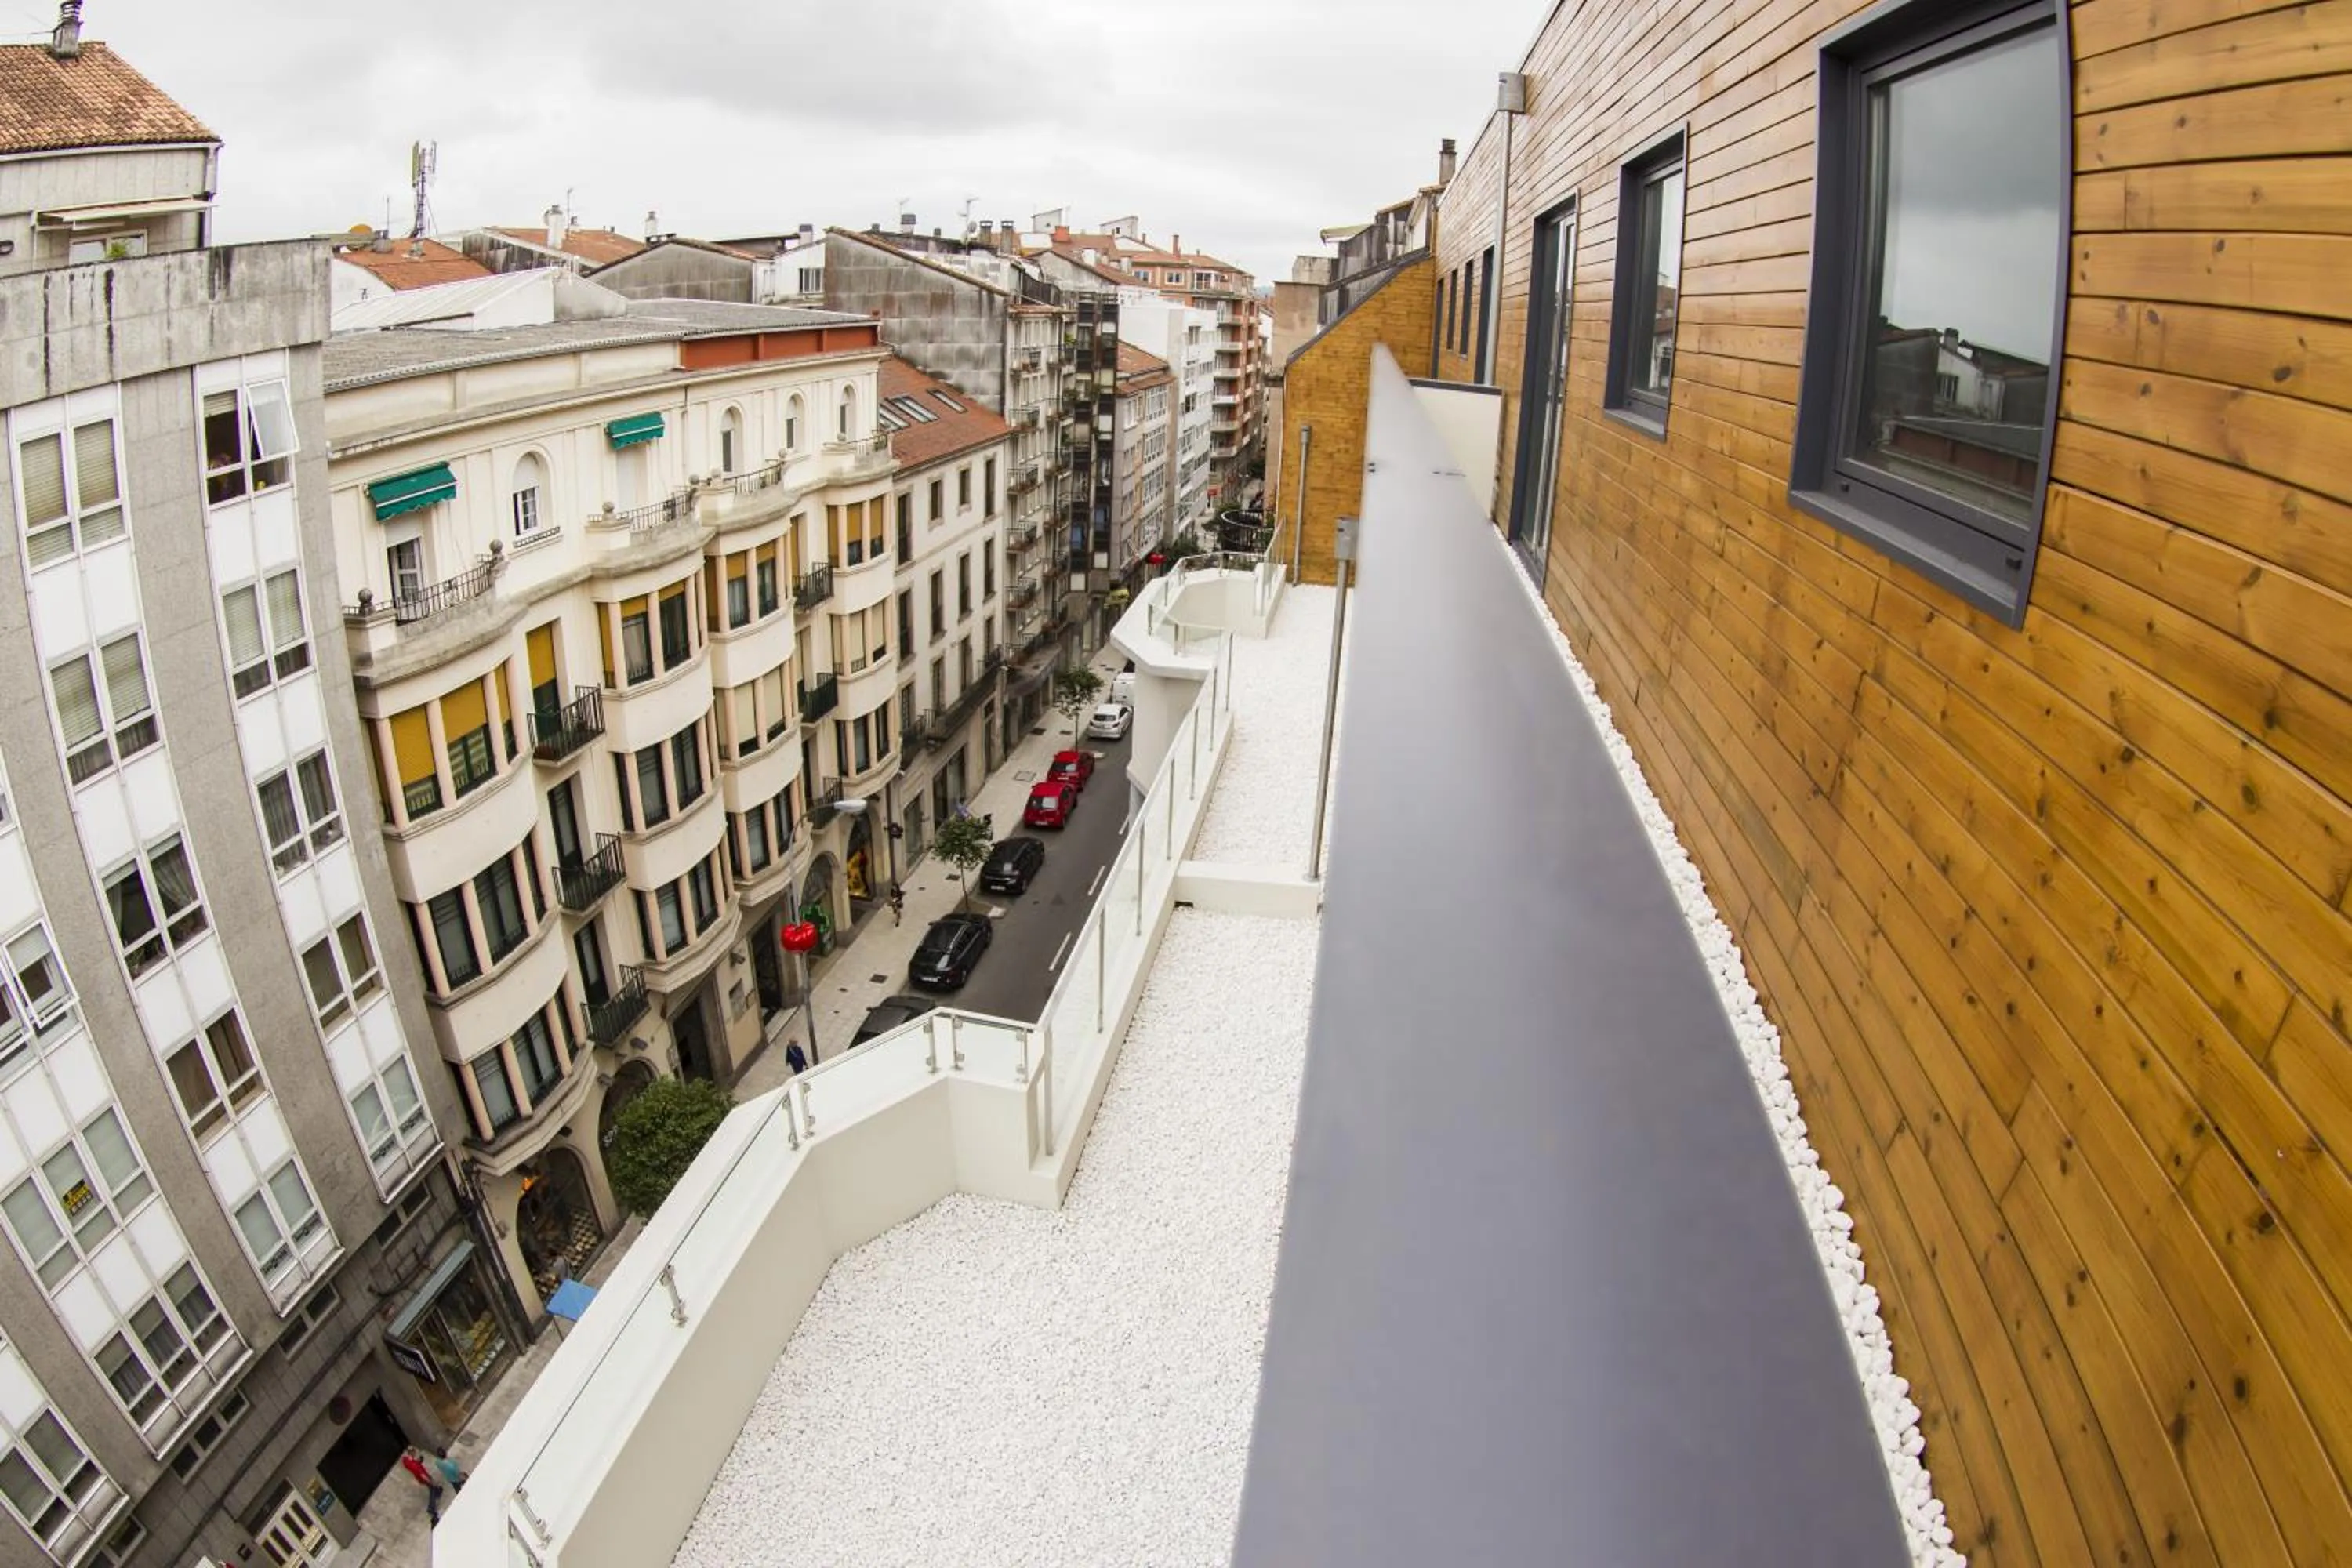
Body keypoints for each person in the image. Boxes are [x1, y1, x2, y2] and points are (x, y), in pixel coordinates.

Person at [400, 1446, 445, 1523]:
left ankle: (438, 1491)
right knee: (432, 1488)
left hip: (420, 1476)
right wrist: (431, 1482)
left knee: (432, 1488)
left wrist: (417, 1461)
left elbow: (409, 1466)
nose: (415, 1453)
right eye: (414, 1452)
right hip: (424, 1477)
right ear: (412, 1452)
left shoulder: (406, 1460)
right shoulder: (415, 1466)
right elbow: (422, 1475)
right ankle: (431, 1508)